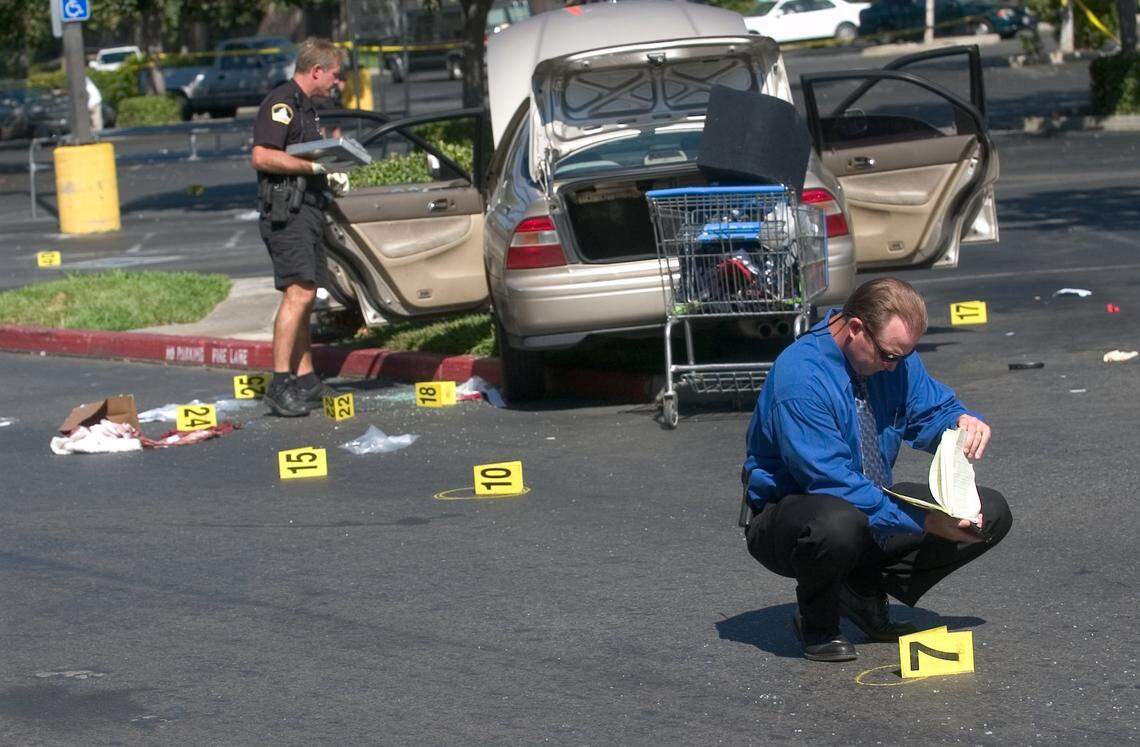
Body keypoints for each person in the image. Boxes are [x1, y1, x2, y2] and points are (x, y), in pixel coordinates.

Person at [741, 277, 1012, 662]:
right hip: (795, 516)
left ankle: (860, 590)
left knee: (989, 513)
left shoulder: (893, 358)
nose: (895, 367)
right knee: (839, 523)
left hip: (868, 498)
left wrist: (963, 423)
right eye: (889, 356)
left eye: (904, 356)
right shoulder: (801, 378)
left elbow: (932, 411)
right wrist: (924, 521)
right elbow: (833, 482)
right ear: (855, 330)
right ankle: (818, 622)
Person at [250, 38, 350, 417]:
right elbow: (262, 155)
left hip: (306, 209)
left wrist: (332, 166)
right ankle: (280, 384)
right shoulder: (282, 103)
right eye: (334, 76)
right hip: (286, 212)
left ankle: (306, 379)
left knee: (307, 294)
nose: (336, 83)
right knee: (299, 294)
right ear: (317, 71)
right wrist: (314, 168)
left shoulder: (306, 108)